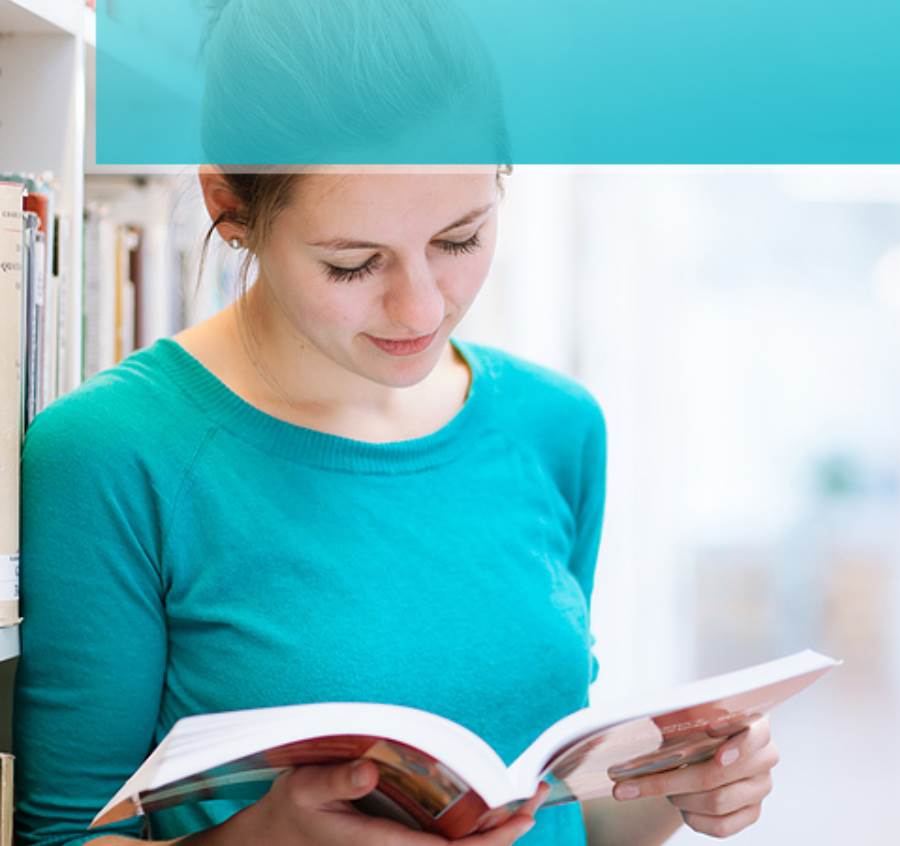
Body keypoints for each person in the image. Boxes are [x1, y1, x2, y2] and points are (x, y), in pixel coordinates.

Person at [11, 2, 780, 845]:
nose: (419, 307)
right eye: (353, 263)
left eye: (460, 239)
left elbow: (561, 821)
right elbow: (60, 835)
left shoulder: (556, 428)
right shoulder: (115, 451)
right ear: (230, 206)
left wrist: (681, 791)